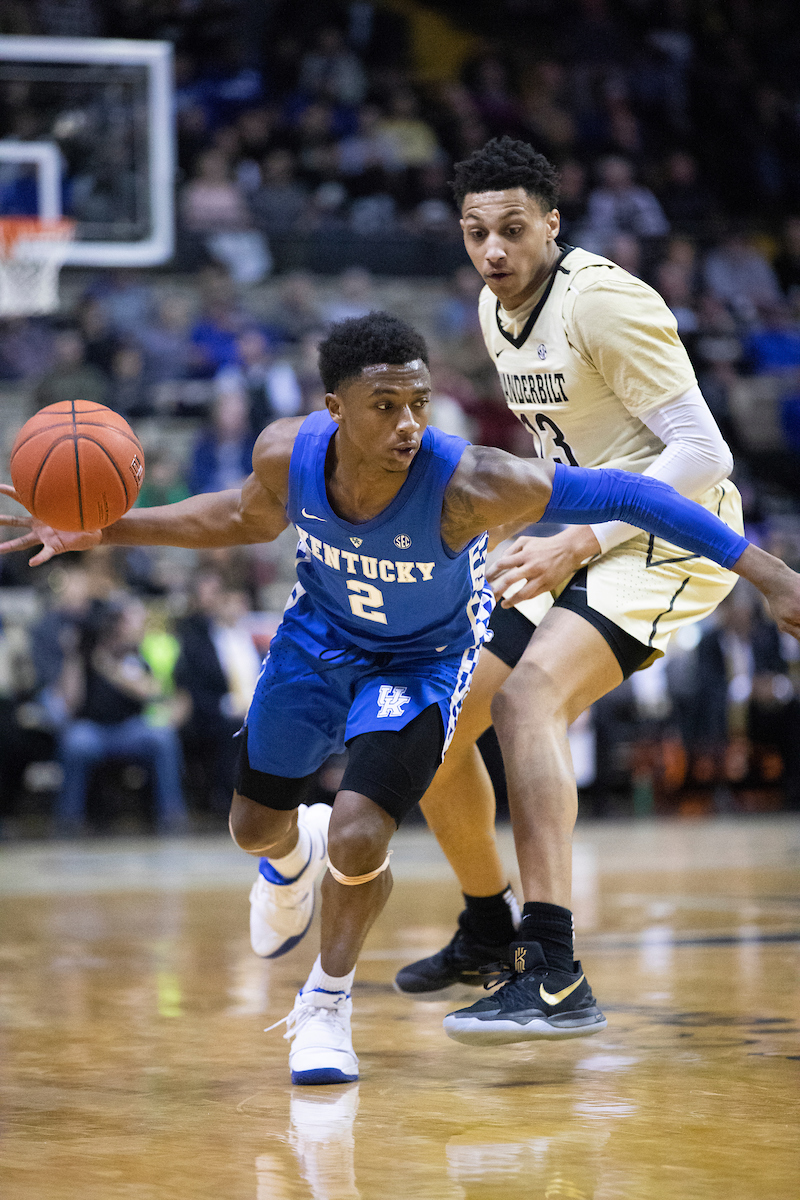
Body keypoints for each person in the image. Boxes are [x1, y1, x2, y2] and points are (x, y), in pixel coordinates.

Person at [2, 313, 800, 1083]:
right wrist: (106, 530)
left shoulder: (474, 481)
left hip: (422, 664)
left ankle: (326, 1004)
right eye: (384, 406)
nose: (408, 423)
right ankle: (291, 857)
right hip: (316, 644)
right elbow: (240, 518)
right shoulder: (286, 452)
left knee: (359, 833)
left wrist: (767, 574)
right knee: (253, 829)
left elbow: (632, 495)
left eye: (418, 402)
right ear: (335, 409)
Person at [388, 136, 777, 1045]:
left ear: (552, 225)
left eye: (513, 229)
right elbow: (562, 445)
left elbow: (705, 452)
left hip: (670, 534)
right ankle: (488, 925)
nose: (493, 250)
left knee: (528, 701)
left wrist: (578, 541)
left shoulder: (602, 300)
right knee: (434, 723)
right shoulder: (495, 309)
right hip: (575, 530)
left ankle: (554, 971)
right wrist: (522, 522)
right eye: (476, 232)